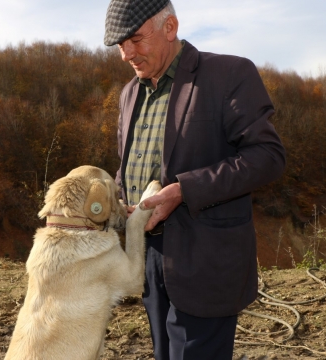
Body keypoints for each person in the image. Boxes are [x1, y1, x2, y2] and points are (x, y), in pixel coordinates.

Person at [104, 0, 286, 359]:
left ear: (170, 27)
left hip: (206, 258)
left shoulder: (229, 74)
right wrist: (113, 201)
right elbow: (128, 169)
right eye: (120, 46)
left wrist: (185, 190)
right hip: (148, 258)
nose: (127, 54)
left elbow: (267, 157)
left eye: (136, 40)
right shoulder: (129, 93)